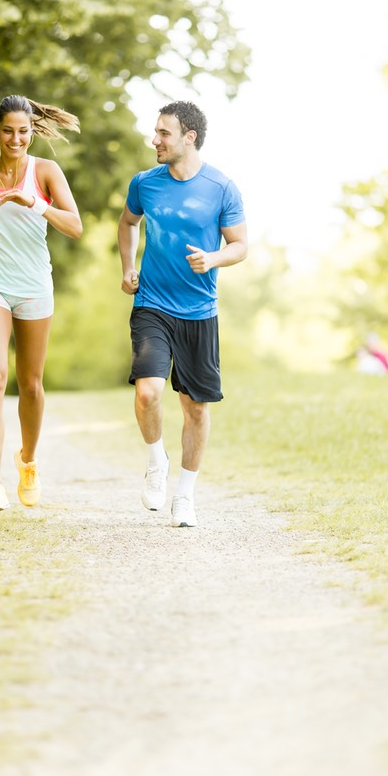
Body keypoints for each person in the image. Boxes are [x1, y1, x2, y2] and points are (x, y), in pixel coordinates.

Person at [118, 100, 247, 528]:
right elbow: (127, 222)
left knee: (194, 408)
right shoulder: (145, 183)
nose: (154, 140)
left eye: (163, 133)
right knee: (148, 393)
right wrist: (128, 267)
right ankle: (157, 462)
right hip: (152, 304)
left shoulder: (221, 188)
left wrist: (212, 259)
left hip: (199, 312)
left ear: (188, 137)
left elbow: (240, 245)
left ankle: (185, 496)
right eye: (156, 132)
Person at [0, 94, 82, 514]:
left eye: (23, 131)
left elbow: (76, 227)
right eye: (8, 131)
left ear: (32, 132)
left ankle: (27, 460)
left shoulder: (45, 172)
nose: (16, 138)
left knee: (30, 384)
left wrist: (37, 204)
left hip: (32, 284)